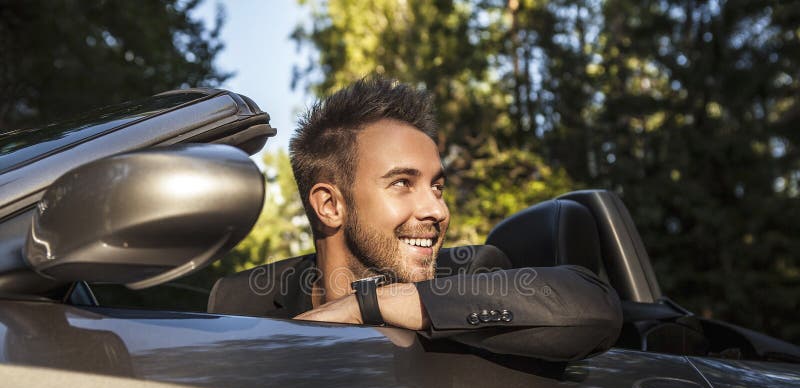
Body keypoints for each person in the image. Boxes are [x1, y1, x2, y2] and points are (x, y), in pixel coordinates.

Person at [213, 77, 622, 360]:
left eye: (437, 187)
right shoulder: (239, 304)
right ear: (330, 206)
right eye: (403, 183)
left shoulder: (473, 276)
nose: (438, 210)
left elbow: (594, 306)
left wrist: (365, 304)